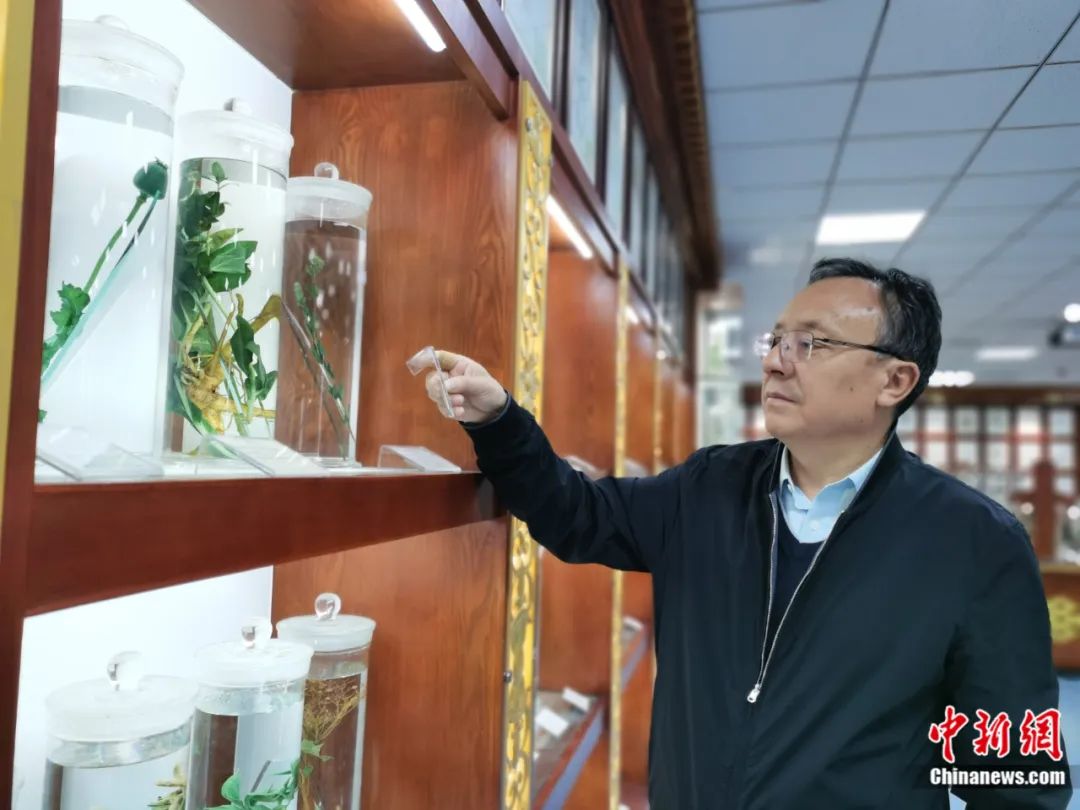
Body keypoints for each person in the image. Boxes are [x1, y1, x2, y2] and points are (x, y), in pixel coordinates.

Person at [420, 257, 1070, 809]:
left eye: (812, 344)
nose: (777, 363)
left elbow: (1016, 777)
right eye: (777, 339)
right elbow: (576, 515)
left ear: (894, 380)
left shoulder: (974, 543)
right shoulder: (709, 488)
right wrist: (500, 421)